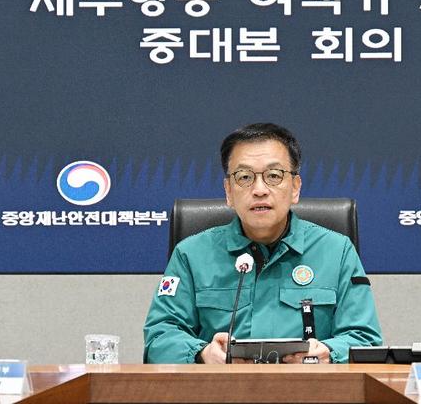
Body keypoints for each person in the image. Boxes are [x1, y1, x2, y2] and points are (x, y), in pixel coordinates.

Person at [143, 123, 382, 364]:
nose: (259, 190)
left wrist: (328, 354)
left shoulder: (337, 252)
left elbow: (365, 340)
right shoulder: (191, 254)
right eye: (244, 177)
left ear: (295, 187)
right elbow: (159, 340)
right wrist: (202, 354)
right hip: (222, 386)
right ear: (228, 191)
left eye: (274, 176)